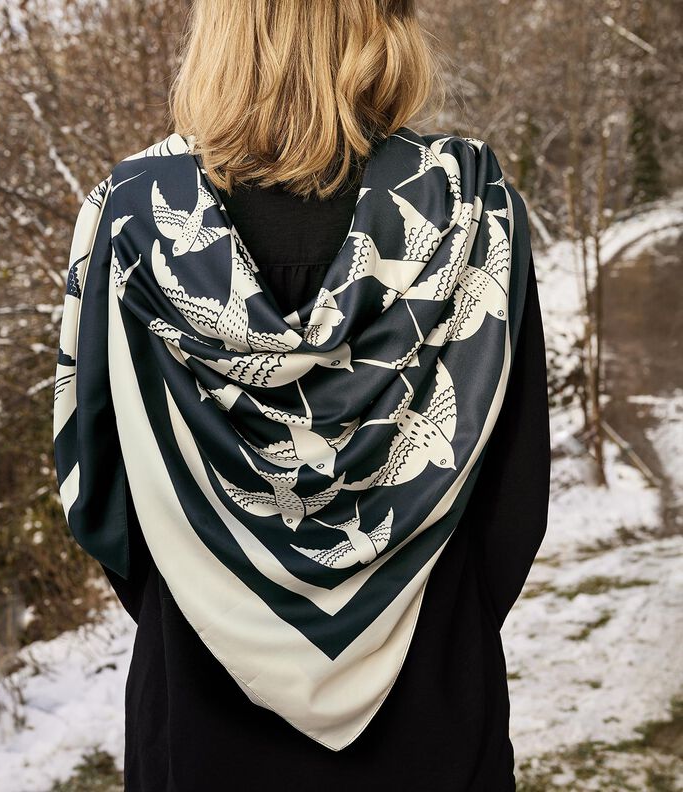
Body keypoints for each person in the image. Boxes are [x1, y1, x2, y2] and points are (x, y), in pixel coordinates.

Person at [53, 2, 551, 790]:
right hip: (433, 698)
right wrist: (432, 625)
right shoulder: (473, 205)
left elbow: (95, 485)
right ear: (383, 27)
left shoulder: (129, 217)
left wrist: (204, 600)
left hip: (196, 704)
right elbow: (514, 501)